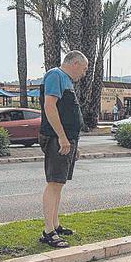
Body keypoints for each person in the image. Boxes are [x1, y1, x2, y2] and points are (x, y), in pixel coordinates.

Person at [38, 50, 88, 248]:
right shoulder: (55, 75)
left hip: (67, 140)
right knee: (54, 183)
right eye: (83, 69)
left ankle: (55, 225)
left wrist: (73, 143)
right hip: (56, 138)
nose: (84, 74)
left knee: (59, 184)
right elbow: (50, 106)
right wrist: (61, 137)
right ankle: (48, 231)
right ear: (74, 63)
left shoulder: (66, 81)